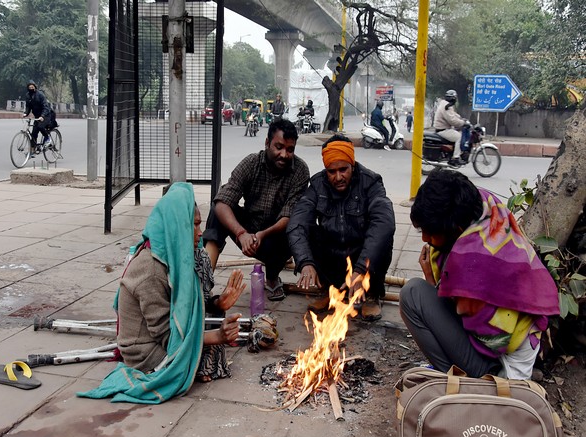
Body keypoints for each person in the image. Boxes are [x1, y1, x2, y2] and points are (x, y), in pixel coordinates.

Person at [77, 183, 245, 403]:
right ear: (177, 228)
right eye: (193, 226)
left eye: (199, 224)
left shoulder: (178, 255)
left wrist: (217, 304)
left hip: (161, 336)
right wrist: (217, 336)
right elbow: (167, 336)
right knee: (204, 355)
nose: (200, 233)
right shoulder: (152, 270)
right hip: (144, 351)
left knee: (213, 342)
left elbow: (189, 305)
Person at [399, 170, 560, 379]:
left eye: (430, 231)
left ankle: (461, 381)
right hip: (519, 340)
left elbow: (457, 316)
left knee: (413, 295)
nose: (424, 238)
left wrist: (431, 279)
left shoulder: (470, 265)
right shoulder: (484, 205)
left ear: (455, 228)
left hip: (498, 363)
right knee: (423, 293)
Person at [287, 135, 396, 321]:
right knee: (309, 230)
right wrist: (305, 262)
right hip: (333, 255)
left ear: (352, 165)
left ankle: (372, 294)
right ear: (326, 170)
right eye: (332, 171)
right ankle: (329, 290)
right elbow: (297, 222)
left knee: (383, 234)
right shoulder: (317, 185)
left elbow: (384, 222)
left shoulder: (370, 182)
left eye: (343, 170)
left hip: (362, 256)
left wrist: (361, 269)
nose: (338, 177)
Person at [203, 119, 310, 301]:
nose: (284, 154)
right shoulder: (251, 163)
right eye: (279, 147)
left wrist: (262, 234)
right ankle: (203, 282)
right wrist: (241, 233)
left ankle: (271, 277)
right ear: (267, 143)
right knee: (217, 210)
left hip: (276, 235)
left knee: (294, 226)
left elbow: (288, 216)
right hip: (248, 228)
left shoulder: (300, 170)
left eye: (290, 150)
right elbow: (222, 202)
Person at [433, 89, 468, 167]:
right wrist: (462, 123)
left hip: (444, 129)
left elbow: (453, 115)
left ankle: (454, 154)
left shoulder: (446, 105)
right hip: (443, 130)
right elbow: (452, 121)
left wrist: (461, 119)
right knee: (459, 137)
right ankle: (455, 158)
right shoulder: (446, 107)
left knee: (457, 134)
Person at [23, 80, 52, 154]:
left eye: (32, 87)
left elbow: (45, 106)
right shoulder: (28, 95)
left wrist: (42, 116)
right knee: (33, 133)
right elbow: (28, 107)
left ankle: (47, 138)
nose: (31, 88)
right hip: (37, 116)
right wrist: (26, 113)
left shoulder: (40, 94)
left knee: (40, 126)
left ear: (35, 87)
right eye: (29, 87)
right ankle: (32, 150)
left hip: (46, 115)